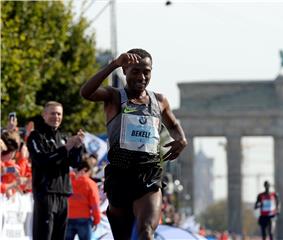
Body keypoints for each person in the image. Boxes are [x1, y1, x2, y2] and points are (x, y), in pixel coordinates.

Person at [80, 48, 187, 239]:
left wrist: (181, 138)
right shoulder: (114, 97)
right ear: (125, 71)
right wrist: (113, 64)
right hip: (120, 175)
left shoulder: (159, 101)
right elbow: (86, 92)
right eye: (135, 71)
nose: (142, 77)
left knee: (145, 231)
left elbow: (173, 124)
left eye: (146, 71)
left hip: (149, 174)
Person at [27, 101, 85, 240]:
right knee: (44, 236)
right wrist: (65, 149)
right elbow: (42, 160)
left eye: (59, 114)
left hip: (63, 195)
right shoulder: (36, 136)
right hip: (45, 194)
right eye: (52, 113)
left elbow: (76, 164)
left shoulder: (64, 138)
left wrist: (77, 147)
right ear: (44, 115)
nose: (56, 117)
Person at [66, 158, 101, 240]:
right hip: (84, 218)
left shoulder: (67, 180)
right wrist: (96, 220)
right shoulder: (90, 184)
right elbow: (95, 204)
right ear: (85, 170)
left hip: (68, 217)